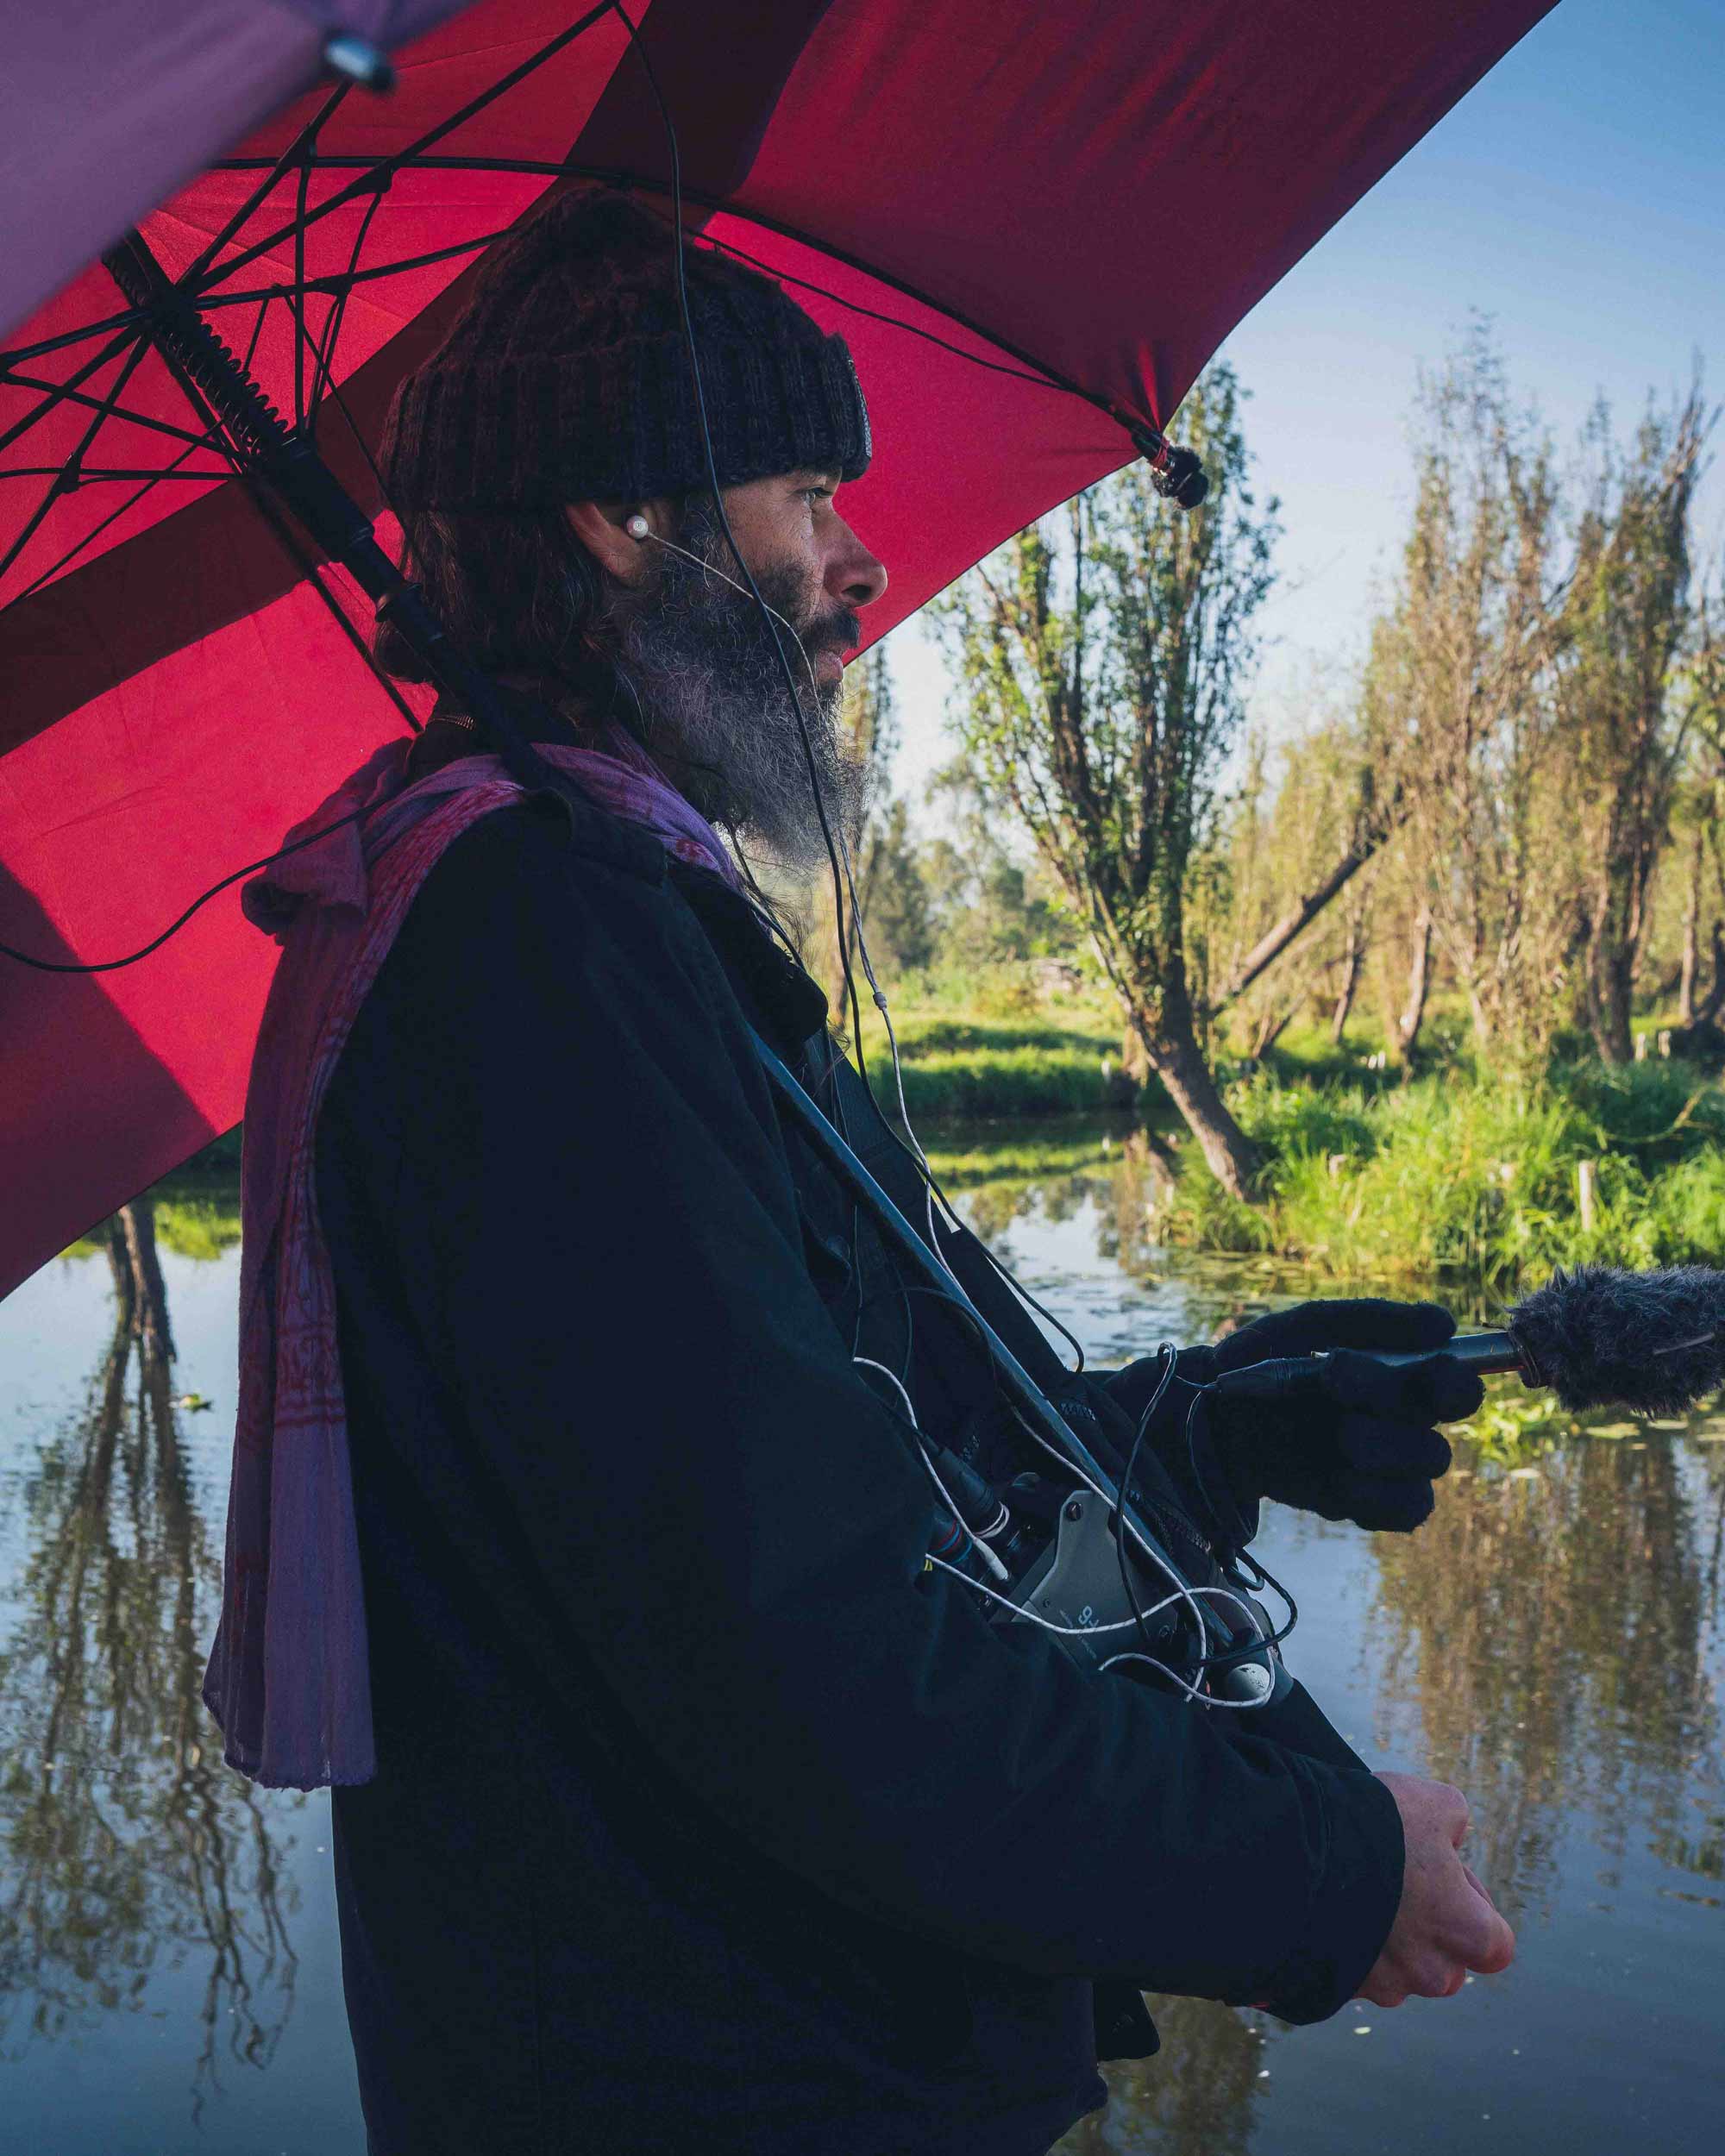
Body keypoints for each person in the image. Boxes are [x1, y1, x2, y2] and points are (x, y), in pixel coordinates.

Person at [204, 185, 1513, 2156]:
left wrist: (1209, 1425)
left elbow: (856, 1475)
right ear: (623, 521)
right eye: (802, 492)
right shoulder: (539, 957)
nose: (859, 562)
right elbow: (812, 1668)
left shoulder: (581, 909)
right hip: (741, 2083)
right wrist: (1314, 1872)